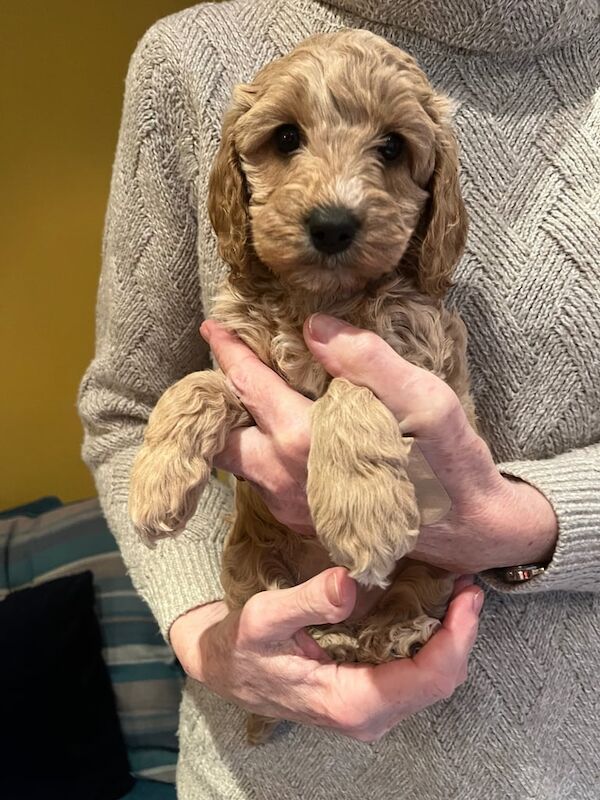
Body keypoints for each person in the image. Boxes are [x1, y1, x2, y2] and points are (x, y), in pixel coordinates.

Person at [78, 1, 600, 798]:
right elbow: (125, 406)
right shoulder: (189, 57)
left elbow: (413, 394)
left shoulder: (409, 306)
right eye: (285, 142)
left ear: (436, 192)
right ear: (235, 175)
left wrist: (520, 524)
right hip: (262, 768)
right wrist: (205, 633)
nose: (338, 198)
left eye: (390, 150)